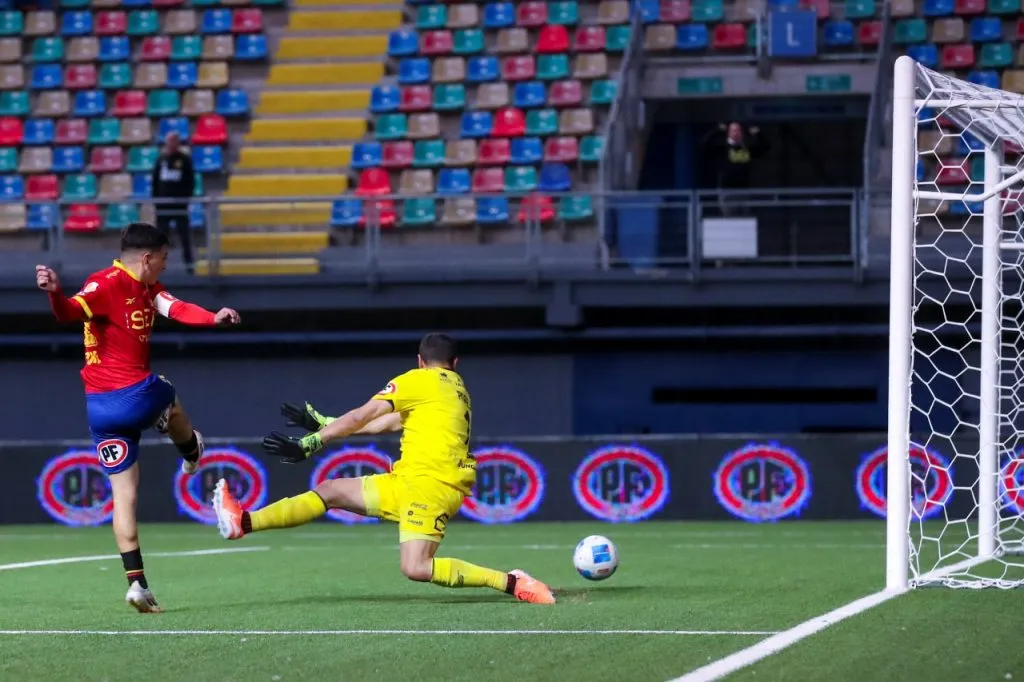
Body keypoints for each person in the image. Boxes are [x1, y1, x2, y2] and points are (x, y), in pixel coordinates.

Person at [212, 333, 556, 605]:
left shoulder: (418, 381)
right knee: (331, 490)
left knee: (416, 568)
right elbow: (385, 423)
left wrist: (311, 443)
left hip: (431, 486)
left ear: (420, 361)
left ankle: (512, 582)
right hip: (411, 481)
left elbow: (364, 416)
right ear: (455, 363)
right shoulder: (454, 389)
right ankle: (242, 522)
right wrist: (321, 422)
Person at [35, 222, 241, 613]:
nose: (165, 265)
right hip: (135, 395)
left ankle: (137, 584)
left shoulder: (148, 289)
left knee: (123, 497)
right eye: (163, 259)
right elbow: (67, 313)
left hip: (101, 411)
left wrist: (213, 317)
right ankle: (191, 450)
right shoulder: (105, 284)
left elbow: (177, 308)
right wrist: (55, 293)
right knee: (168, 395)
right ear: (147, 258)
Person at [151, 131, 196, 274]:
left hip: (180, 205)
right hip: (163, 205)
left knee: (184, 236)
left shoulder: (184, 160)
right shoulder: (161, 160)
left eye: (173, 141)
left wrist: (186, 199)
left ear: (177, 143)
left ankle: (189, 266)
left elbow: (191, 181)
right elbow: (155, 182)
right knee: (160, 239)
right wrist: (156, 202)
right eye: (169, 141)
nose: (171, 144)